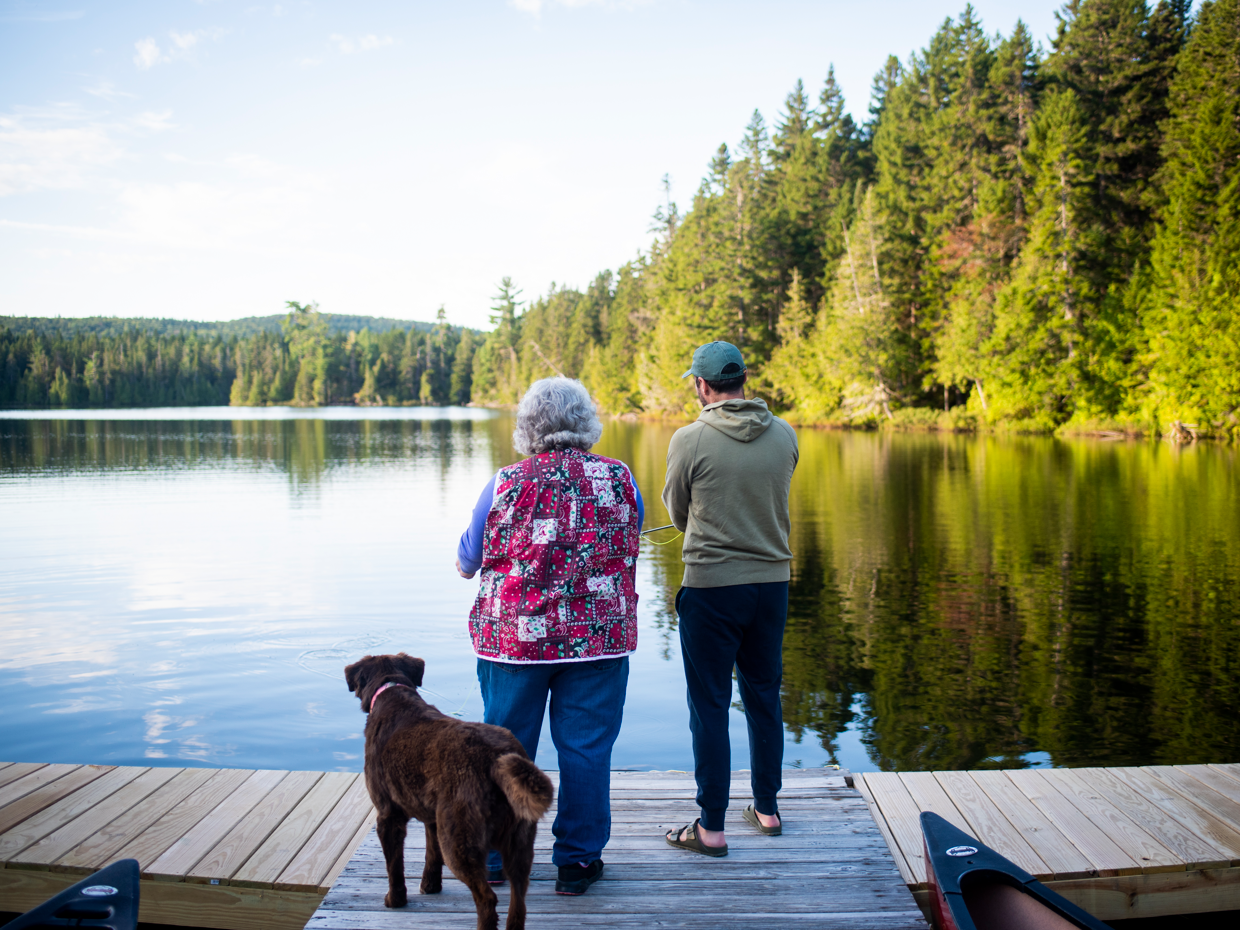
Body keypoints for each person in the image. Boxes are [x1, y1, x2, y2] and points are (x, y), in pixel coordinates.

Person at [456, 376, 644, 895]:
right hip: (597, 639)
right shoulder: (620, 479)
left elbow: (467, 561)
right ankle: (577, 865)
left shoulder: (505, 483)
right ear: (586, 424)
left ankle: (497, 857)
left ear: (527, 427)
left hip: (514, 643)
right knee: (586, 748)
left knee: (506, 749)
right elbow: (632, 535)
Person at [660, 341, 798, 857]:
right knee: (764, 695)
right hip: (771, 587)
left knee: (710, 705)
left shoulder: (689, 439)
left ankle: (711, 828)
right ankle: (767, 810)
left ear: (702, 385)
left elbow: (677, 511)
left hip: (712, 588)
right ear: (743, 380)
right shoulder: (784, 435)